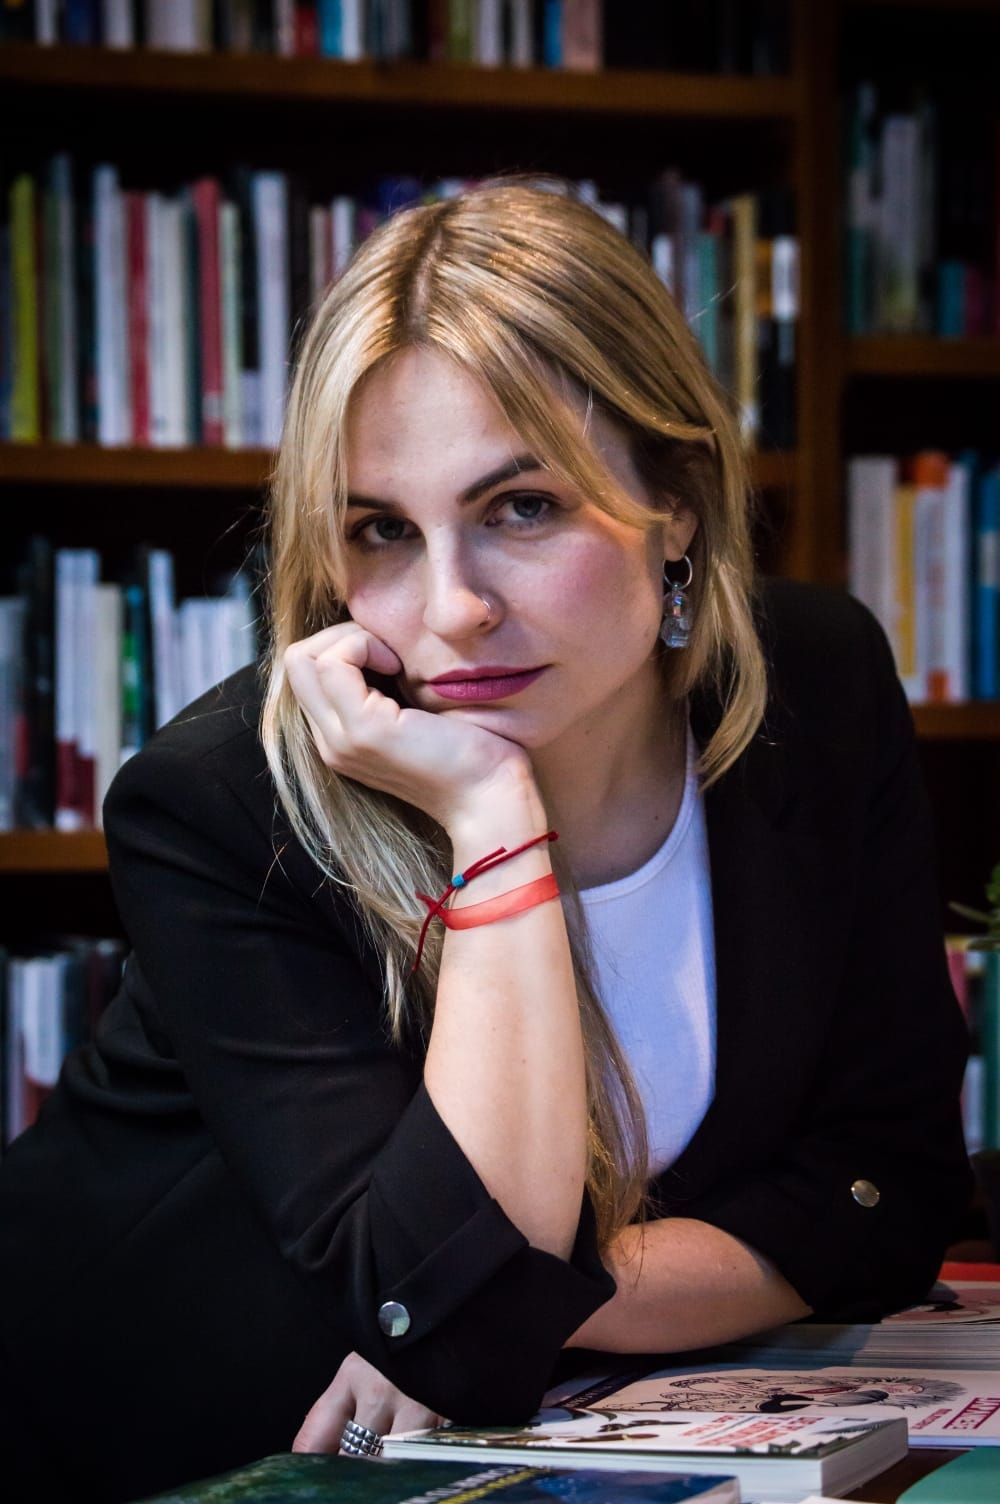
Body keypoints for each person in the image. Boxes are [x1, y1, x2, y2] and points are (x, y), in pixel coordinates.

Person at [0, 177, 972, 1502]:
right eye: (383, 531)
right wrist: (491, 816)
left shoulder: (818, 685)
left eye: (523, 507)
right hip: (150, 1450)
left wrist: (537, 1297)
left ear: (677, 503)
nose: (451, 609)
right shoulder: (221, 802)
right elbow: (451, 1311)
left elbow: (892, 1184)